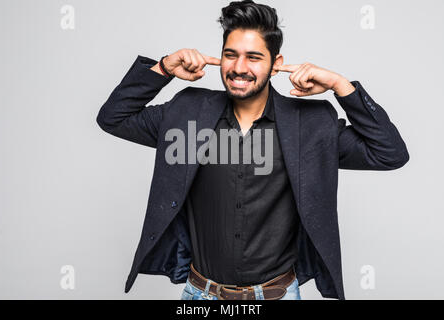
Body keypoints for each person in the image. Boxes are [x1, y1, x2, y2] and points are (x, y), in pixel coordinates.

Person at [96, 0, 409, 300]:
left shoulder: (311, 126)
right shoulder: (187, 112)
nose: (239, 67)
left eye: (254, 57)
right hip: (201, 295)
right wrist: (163, 68)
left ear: (276, 65)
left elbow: (389, 153)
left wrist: (341, 86)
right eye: (231, 55)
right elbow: (113, 118)